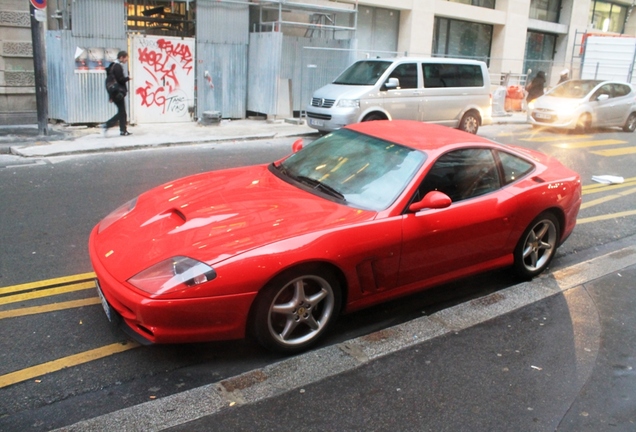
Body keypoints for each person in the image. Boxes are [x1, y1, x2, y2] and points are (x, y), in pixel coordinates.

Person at [101, 51, 132, 137]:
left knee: (122, 112)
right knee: (122, 112)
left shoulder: (112, 66)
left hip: (114, 93)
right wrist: (128, 78)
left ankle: (123, 130)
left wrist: (110, 96)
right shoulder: (117, 66)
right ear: (121, 57)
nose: (126, 60)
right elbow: (120, 79)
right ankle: (107, 125)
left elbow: (111, 81)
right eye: (126, 58)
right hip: (118, 93)